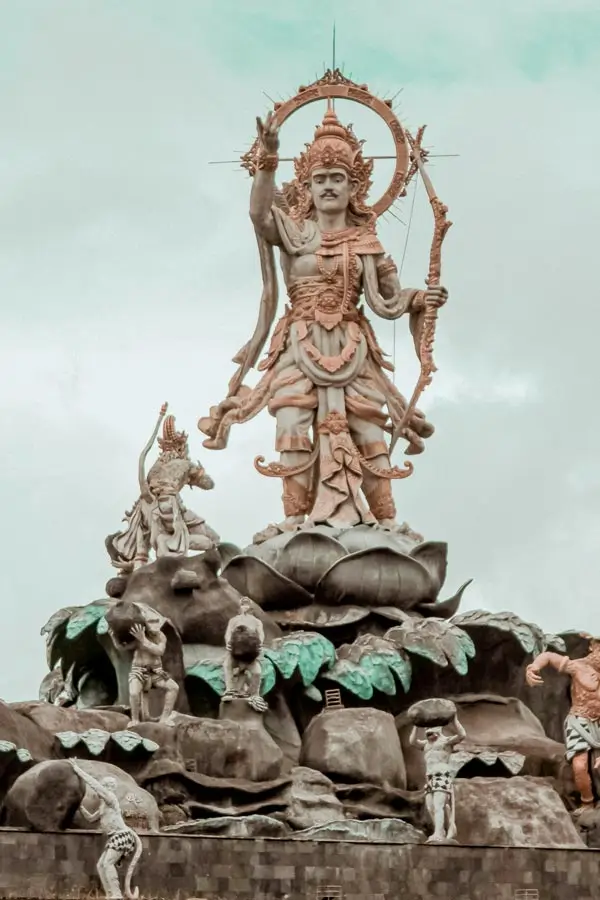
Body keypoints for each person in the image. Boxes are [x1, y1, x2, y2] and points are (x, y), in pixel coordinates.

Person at [199, 106, 448, 542]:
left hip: (353, 347)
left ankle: (386, 520)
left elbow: (388, 301)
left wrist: (420, 300)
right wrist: (269, 158)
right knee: (292, 420)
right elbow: (259, 215)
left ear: (354, 186)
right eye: (320, 179)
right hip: (299, 342)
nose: (328, 186)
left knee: (368, 427)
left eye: (337, 178)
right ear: (308, 186)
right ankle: (296, 518)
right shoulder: (294, 233)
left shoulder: (366, 242)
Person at [107, 403, 219, 572]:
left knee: (144, 539)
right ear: (181, 446)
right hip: (169, 505)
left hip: (145, 506)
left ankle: (139, 565)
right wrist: (197, 472)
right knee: (213, 539)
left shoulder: (155, 468)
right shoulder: (185, 464)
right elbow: (208, 484)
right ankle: (172, 546)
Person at [526, 636, 600, 811]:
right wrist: (533, 668)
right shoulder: (577, 666)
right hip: (579, 720)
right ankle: (587, 802)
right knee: (580, 765)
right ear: (593, 647)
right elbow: (549, 656)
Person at [69, 758, 142, 900]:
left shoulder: (111, 798)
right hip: (115, 837)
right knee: (100, 865)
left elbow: (95, 785)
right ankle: (110, 894)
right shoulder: (104, 806)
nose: (101, 789)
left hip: (122, 835)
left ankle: (117, 895)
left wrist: (78, 770)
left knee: (107, 863)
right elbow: (90, 819)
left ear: (108, 787)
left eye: (105, 786)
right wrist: (79, 806)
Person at [109, 611, 179, 727]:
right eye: (151, 622)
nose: (154, 625)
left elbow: (160, 651)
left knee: (174, 687)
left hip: (156, 672)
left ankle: (164, 719)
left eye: (157, 621)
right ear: (145, 623)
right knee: (133, 692)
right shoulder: (138, 634)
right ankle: (135, 719)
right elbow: (122, 647)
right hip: (138, 671)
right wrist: (114, 638)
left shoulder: (160, 636)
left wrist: (143, 640)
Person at [410, 713, 466, 843]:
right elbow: (412, 741)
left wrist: (455, 719)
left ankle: (438, 834)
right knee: (430, 807)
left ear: (438, 730)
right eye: (427, 732)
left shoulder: (445, 742)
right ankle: (440, 830)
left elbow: (462, 735)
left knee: (438, 805)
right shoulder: (426, 745)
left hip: (442, 777)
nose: (429, 734)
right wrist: (416, 725)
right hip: (430, 778)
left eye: (431, 731)